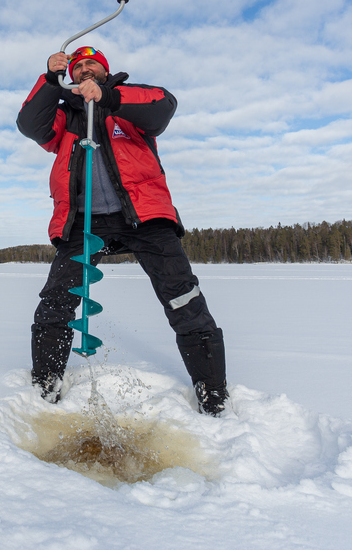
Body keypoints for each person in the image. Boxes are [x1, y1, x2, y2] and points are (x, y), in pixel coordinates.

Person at [15, 45, 229, 415]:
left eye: (91, 65)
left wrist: (110, 98)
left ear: (104, 71)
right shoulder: (64, 117)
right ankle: (45, 389)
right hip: (83, 222)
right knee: (55, 304)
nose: (84, 70)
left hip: (145, 220)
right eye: (78, 66)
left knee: (184, 301)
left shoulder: (128, 104)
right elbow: (30, 125)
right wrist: (50, 80)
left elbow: (163, 106)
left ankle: (213, 395)